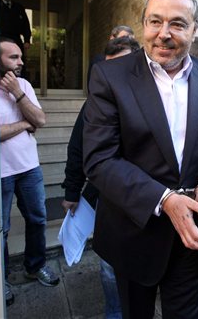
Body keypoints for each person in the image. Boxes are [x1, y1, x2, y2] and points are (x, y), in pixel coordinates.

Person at [82, 0, 198, 319]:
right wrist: (165, 199)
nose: (163, 33)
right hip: (133, 232)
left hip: (193, 235)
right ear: (144, 24)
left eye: (177, 24)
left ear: (194, 30)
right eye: (155, 21)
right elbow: (99, 159)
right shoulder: (110, 76)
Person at [61, 35, 140, 319]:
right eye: (109, 66)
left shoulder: (154, 99)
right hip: (107, 198)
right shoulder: (96, 102)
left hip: (145, 199)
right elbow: (77, 147)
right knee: (109, 264)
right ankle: (115, 311)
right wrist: (72, 192)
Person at [0, 38, 59, 307]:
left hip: (29, 167)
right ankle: (0, 279)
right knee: (0, 229)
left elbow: (41, 120)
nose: (20, 62)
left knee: (37, 219)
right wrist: (24, 124)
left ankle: (35, 267)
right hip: (0, 171)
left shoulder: (23, 86)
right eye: (13, 57)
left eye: (20, 57)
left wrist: (17, 93)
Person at [0, 0, 32, 73]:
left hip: (16, 39)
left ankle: (18, 80)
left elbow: (25, 24)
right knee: (3, 63)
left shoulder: (18, 7)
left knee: (19, 63)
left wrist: (27, 40)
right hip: (1, 39)